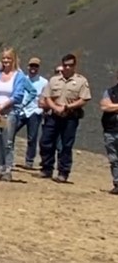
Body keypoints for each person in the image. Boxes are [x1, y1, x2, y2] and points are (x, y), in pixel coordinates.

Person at [39, 53, 92, 183]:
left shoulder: (81, 81)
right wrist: (55, 108)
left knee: (65, 146)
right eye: (65, 65)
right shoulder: (54, 80)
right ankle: (47, 168)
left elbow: (84, 99)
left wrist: (68, 107)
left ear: (75, 66)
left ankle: (63, 172)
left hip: (70, 117)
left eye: (70, 65)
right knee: (46, 142)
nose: (67, 68)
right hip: (53, 115)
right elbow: (47, 97)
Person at [0, 48, 32, 181]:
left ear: (13, 60)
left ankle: (7, 169)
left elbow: (17, 95)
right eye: (4, 58)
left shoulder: (19, 76)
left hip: (9, 112)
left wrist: (1, 107)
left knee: (7, 142)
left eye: (8, 58)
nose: (6, 61)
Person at [15, 57, 48, 170]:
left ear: (38, 68)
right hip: (22, 110)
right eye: (31, 66)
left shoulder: (44, 82)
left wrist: (40, 111)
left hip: (34, 111)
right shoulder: (23, 79)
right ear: (28, 67)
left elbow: (44, 97)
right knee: (11, 132)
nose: (33, 68)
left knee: (32, 137)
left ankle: (29, 161)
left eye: (36, 66)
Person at [101, 70, 118, 195]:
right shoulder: (110, 92)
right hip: (111, 130)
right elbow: (105, 106)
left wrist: (114, 106)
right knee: (113, 159)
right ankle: (117, 183)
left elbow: (110, 106)